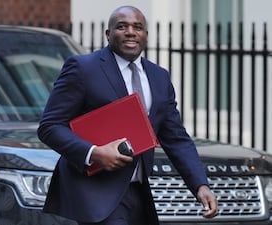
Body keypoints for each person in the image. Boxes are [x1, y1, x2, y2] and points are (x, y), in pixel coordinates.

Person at [37, 5, 218, 225]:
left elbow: (176, 138)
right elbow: (50, 126)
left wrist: (200, 185)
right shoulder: (83, 68)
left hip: (139, 194)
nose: (130, 32)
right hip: (96, 194)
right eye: (122, 26)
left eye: (137, 27)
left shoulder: (159, 77)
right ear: (108, 34)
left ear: (146, 35)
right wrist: (94, 153)